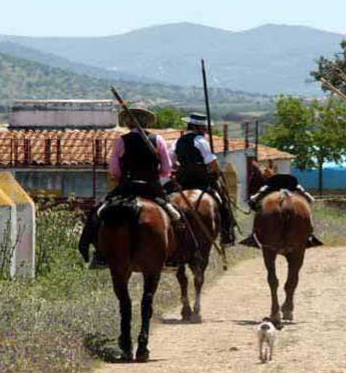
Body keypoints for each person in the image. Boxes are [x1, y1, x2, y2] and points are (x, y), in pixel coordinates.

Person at [78, 107, 181, 268]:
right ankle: (174, 255)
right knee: (176, 216)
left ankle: (97, 254)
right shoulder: (159, 140)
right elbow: (167, 169)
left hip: (126, 188)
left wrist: (122, 177)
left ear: (129, 122)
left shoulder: (122, 140)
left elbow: (114, 170)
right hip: (152, 189)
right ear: (145, 123)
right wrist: (156, 174)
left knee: (97, 211)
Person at [169, 113, 236, 247]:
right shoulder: (201, 141)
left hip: (182, 179)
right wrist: (218, 173)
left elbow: (172, 160)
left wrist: (182, 166)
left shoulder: (177, 141)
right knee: (223, 200)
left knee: (167, 198)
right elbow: (211, 161)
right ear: (197, 127)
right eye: (204, 127)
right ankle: (227, 234)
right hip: (201, 179)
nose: (205, 130)